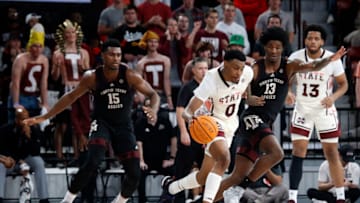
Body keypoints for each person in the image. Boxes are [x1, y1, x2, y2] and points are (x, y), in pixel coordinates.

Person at [212, 27, 347, 202]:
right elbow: (239, 87)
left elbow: (313, 65)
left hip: (264, 123)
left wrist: (329, 59)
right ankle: (240, 189)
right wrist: (248, 98)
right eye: (270, 47)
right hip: (251, 119)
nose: (274, 51)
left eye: (277, 47)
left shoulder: (289, 65)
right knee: (277, 153)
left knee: (236, 175)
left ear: (282, 48)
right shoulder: (256, 67)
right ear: (264, 47)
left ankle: (205, 200)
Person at [23, 39, 160, 203]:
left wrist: (153, 109)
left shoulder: (130, 75)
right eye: (111, 55)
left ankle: (120, 201)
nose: (116, 58)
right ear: (103, 56)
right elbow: (71, 97)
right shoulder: (92, 77)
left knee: (135, 173)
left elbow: (154, 94)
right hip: (102, 123)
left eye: (118, 55)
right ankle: (67, 199)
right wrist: (46, 116)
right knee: (93, 161)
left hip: (124, 125)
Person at [161, 49, 254, 203]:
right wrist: (191, 119)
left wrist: (247, 94)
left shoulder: (247, 72)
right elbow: (189, 110)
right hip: (211, 122)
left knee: (203, 176)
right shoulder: (211, 79)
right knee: (224, 159)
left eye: (241, 69)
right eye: (235, 68)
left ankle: (172, 187)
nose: (239, 73)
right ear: (225, 64)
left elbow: (250, 78)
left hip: (231, 124)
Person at [287, 24, 349, 203]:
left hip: (324, 109)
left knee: (331, 153)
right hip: (303, 109)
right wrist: (289, 92)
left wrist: (334, 97)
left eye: (316, 38)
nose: (312, 41)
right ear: (305, 40)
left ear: (322, 41)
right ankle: (292, 197)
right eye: (309, 38)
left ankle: (340, 196)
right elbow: (287, 81)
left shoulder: (332, 59)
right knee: (298, 152)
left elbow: (344, 85)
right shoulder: (295, 57)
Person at [52, 19, 91, 160]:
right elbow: (55, 77)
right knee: (62, 124)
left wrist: (82, 67)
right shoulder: (58, 52)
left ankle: (77, 154)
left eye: (73, 32)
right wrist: (56, 66)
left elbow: (87, 72)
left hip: (80, 88)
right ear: (64, 35)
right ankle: (59, 155)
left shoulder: (84, 52)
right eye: (67, 32)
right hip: (66, 88)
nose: (70, 35)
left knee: (78, 123)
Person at [173, 57, 208, 203]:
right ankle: (179, 199)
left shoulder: (210, 87)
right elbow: (180, 109)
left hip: (206, 134)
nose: (203, 71)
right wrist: (183, 132)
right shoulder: (187, 88)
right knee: (182, 169)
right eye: (200, 68)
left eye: (206, 68)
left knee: (207, 170)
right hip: (190, 133)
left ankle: (206, 199)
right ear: (193, 71)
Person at [0, 106, 50, 203]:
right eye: (22, 119)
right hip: (11, 161)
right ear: (16, 119)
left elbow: (36, 151)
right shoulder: (5, 129)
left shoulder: (34, 129)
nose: (24, 121)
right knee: (0, 165)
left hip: (27, 159)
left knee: (39, 162)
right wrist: (14, 160)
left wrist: (28, 137)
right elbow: (2, 149)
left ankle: (44, 199)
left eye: (26, 118)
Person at [134, 98, 176, 203]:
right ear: (144, 109)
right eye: (147, 106)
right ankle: (142, 201)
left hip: (162, 160)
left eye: (152, 105)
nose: (150, 108)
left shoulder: (165, 122)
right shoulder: (140, 123)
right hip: (147, 160)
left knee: (175, 171)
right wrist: (141, 161)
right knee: (138, 172)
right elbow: (139, 143)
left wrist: (171, 158)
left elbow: (174, 139)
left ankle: (167, 199)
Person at [8, 18, 49, 123]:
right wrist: (16, 103)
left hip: (33, 97)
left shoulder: (44, 60)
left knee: (34, 129)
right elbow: (15, 83)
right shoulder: (21, 59)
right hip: (20, 95)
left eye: (40, 46)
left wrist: (45, 103)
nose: (37, 49)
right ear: (30, 46)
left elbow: (43, 84)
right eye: (35, 46)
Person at [136, 30, 173, 110]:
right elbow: (139, 83)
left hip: (161, 94)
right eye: (150, 41)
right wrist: (141, 97)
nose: (153, 44)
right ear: (146, 43)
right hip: (148, 95)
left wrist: (169, 98)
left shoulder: (165, 60)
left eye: (155, 42)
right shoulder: (141, 63)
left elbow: (166, 80)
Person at [110, 4, 146, 69]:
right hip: (123, 64)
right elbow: (111, 48)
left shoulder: (144, 31)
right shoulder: (118, 31)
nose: (130, 16)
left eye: (132, 13)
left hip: (142, 63)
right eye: (127, 13)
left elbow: (150, 46)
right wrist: (123, 55)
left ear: (136, 15)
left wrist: (145, 56)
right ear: (124, 15)